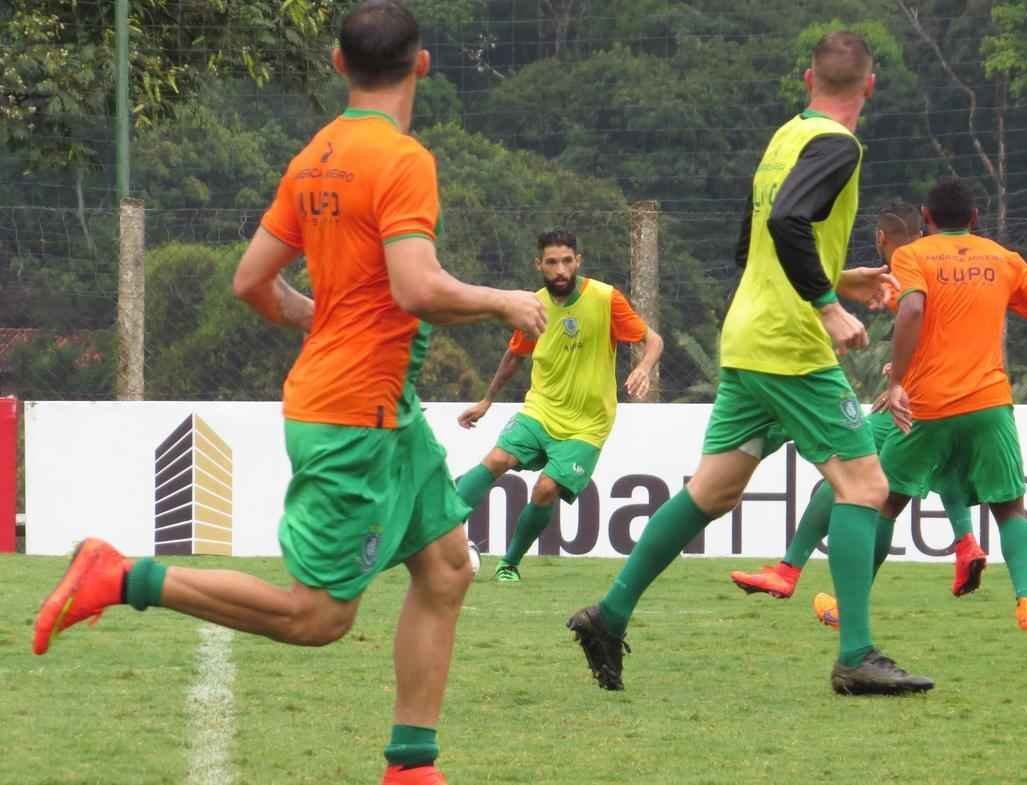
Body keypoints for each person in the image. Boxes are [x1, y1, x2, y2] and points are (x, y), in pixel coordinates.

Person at [31, 4, 546, 784]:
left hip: (379, 407)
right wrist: (506, 300)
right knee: (318, 616)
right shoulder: (403, 159)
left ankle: (411, 765)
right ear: (424, 66)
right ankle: (120, 574)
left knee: (445, 569)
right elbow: (416, 288)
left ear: (338, 66)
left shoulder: (317, 155)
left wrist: (322, 317)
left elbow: (251, 282)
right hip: (355, 417)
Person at [566, 31, 934, 697]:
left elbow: (754, 240)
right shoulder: (839, 145)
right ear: (871, 85)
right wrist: (826, 303)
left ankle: (609, 613)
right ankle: (855, 653)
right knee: (865, 487)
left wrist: (840, 276)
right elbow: (789, 223)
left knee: (712, 490)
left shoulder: (782, 139)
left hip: (748, 332)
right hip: (790, 345)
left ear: (805, 79)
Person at [730, 201, 986, 621]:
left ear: (880, 238)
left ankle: (792, 572)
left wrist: (900, 378)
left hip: (917, 397)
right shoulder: (948, 264)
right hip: (968, 394)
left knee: (851, 485)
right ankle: (965, 543)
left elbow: (917, 317)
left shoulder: (908, 265)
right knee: (922, 482)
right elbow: (948, 325)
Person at [880, 176, 1027, 632]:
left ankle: (843, 602)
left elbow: (911, 312)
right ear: (975, 218)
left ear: (926, 219)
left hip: (926, 405)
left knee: (883, 503)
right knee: (1010, 507)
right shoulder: (1004, 259)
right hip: (989, 403)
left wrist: (896, 379)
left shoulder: (910, 256)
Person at [455, 229, 664, 582]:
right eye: (552, 262)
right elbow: (514, 355)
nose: (560, 269)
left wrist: (643, 367)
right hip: (541, 409)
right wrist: (488, 399)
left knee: (546, 488)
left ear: (578, 261)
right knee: (496, 459)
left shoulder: (604, 298)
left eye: (567, 261)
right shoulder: (533, 305)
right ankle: (441, 528)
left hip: (587, 423)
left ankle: (509, 564)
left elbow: (653, 340)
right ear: (539, 265)